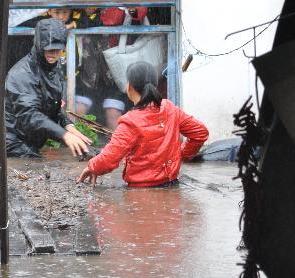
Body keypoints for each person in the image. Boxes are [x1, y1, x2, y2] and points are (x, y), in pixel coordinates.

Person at [77, 61, 208, 187]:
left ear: (129, 86)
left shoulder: (129, 121)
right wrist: (181, 155)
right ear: (155, 85)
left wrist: (92, 167)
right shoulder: (170, 108)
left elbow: (110, 157)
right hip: (172, 183)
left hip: (140, 188)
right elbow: (200, 132)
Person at [5, 19, 92, 158]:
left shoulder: (54, 69)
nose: (54, 54)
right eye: (49, 49)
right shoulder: (22, 73)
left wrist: (68, 126)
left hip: (30, 141)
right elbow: (29, 115)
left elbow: (53, 107)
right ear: (39, 45)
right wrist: (64, 135)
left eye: (58, 50)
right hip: (11, 142)